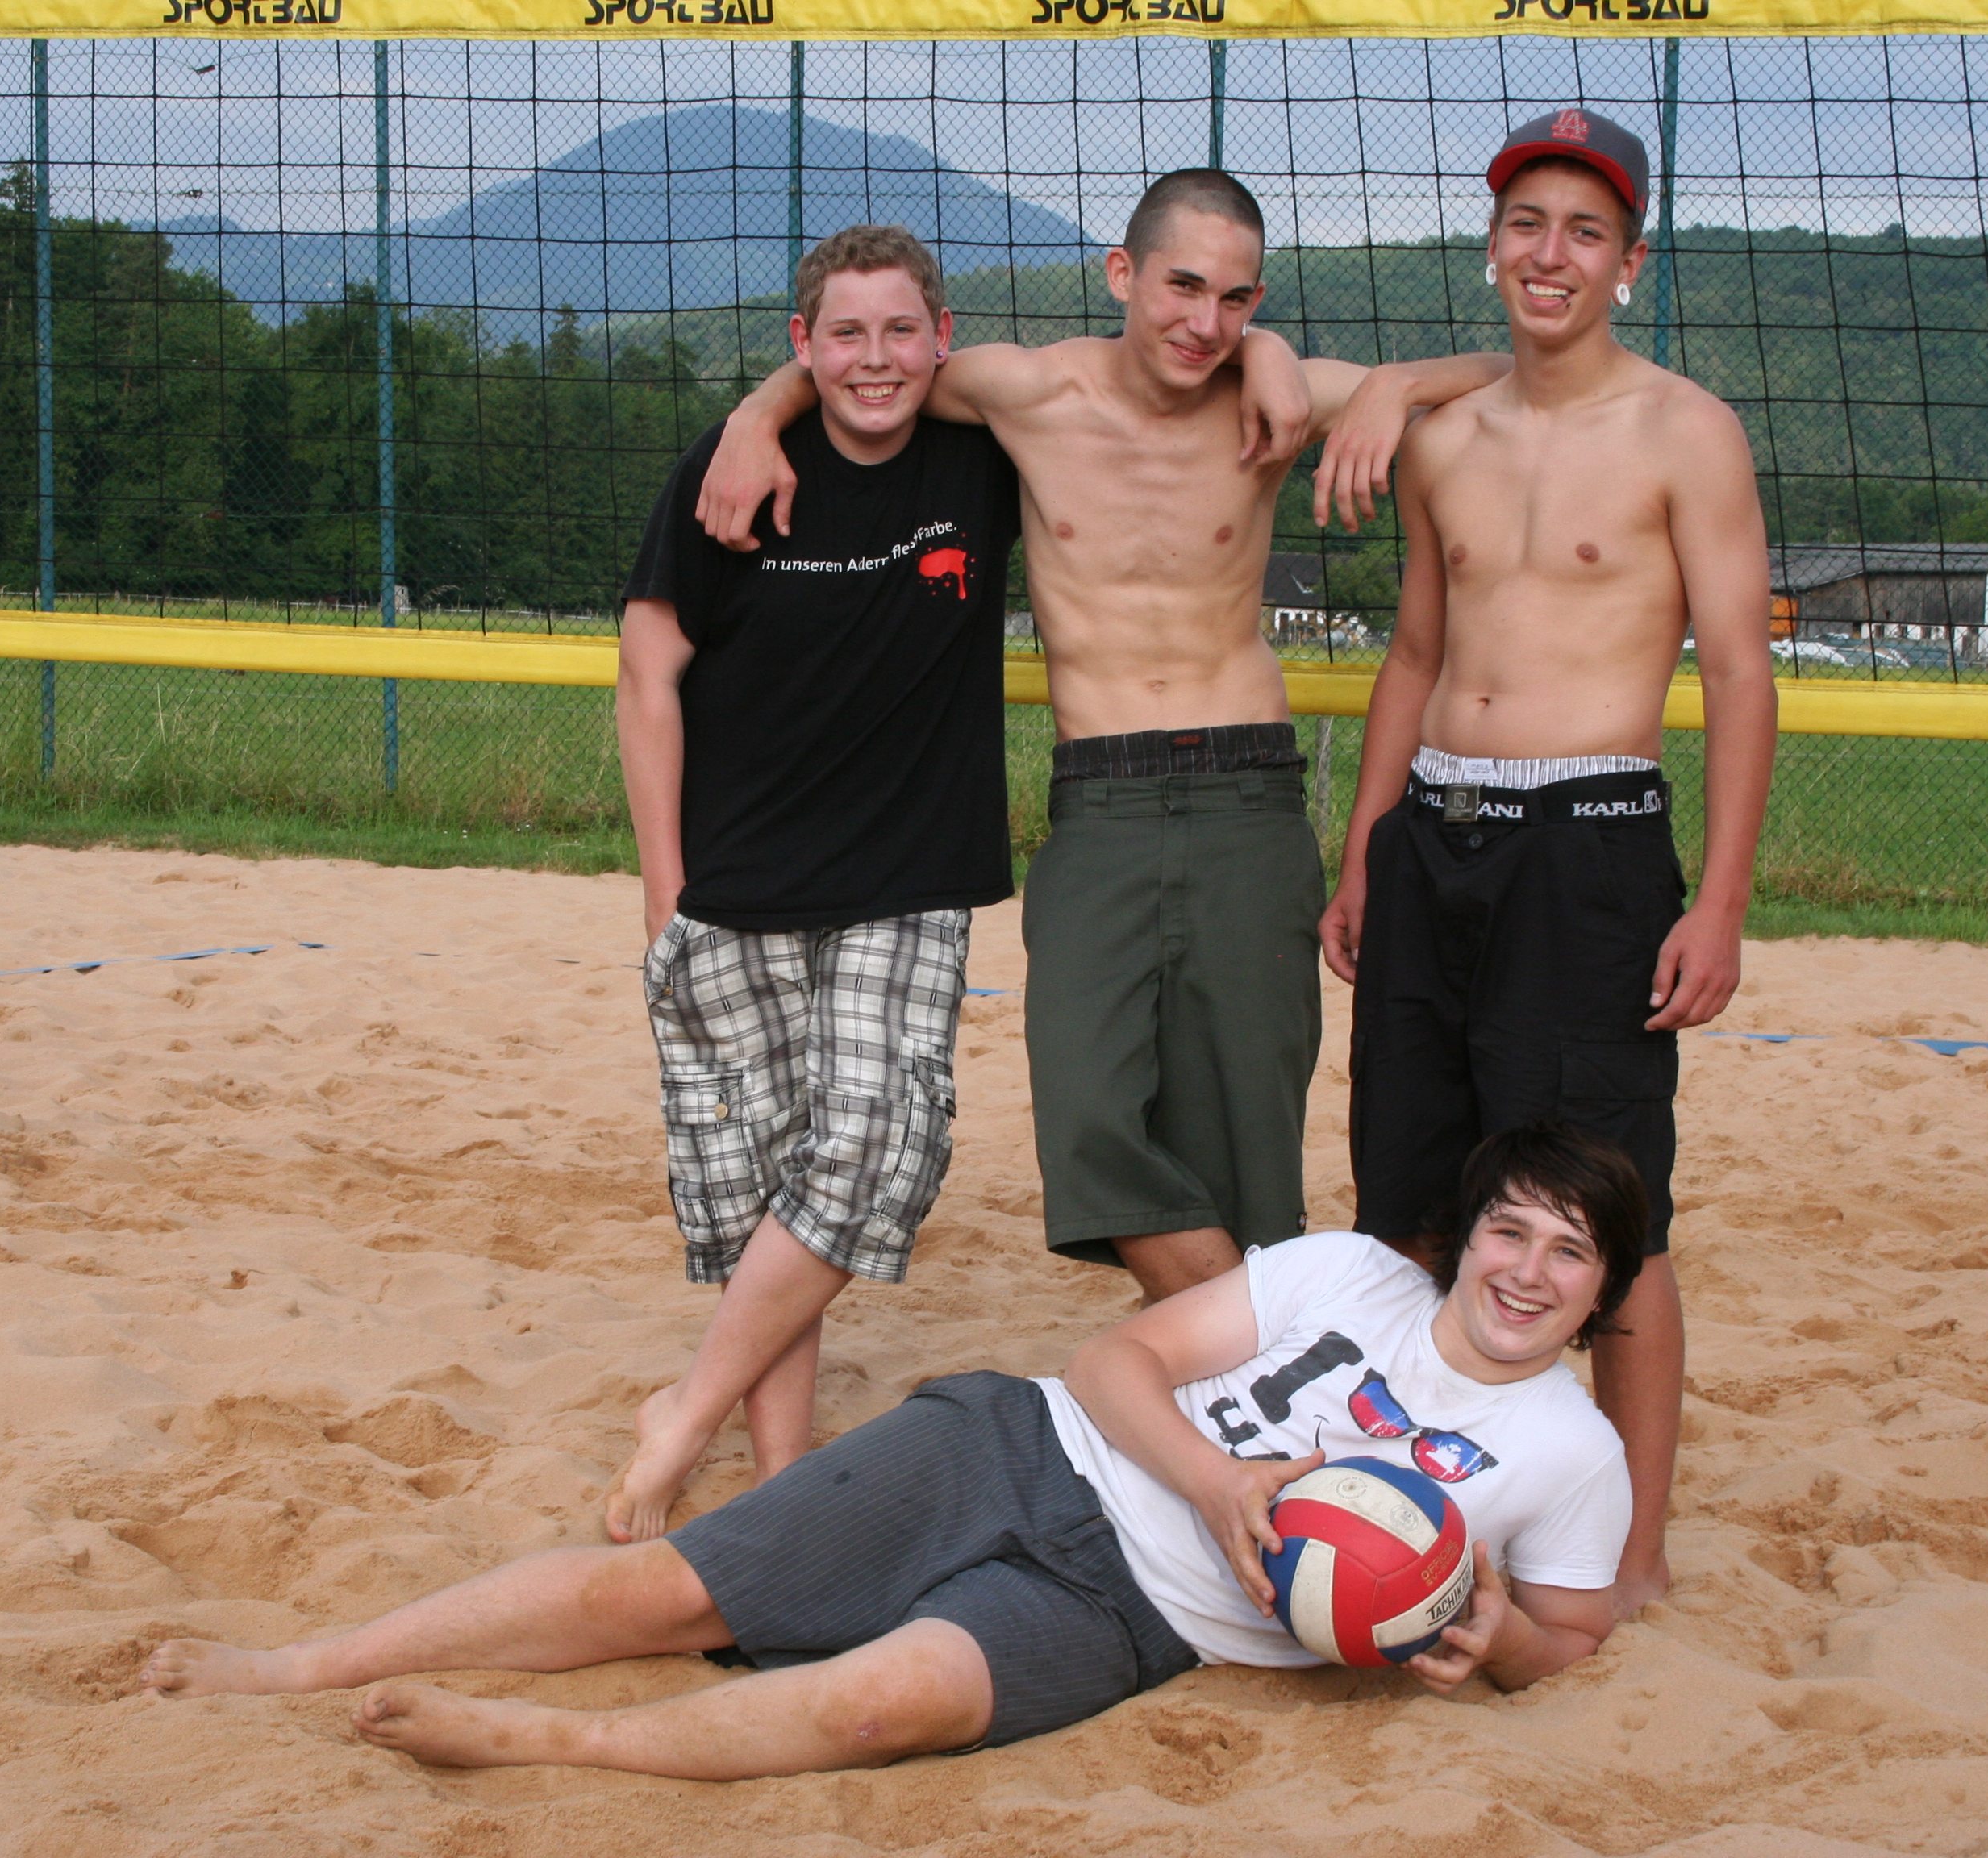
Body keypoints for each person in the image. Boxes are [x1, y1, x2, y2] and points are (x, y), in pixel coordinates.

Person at [139, 1123, 1643, 1777]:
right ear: (1464, 1236)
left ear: (1601, 1293)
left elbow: (1570, 1638)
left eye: (1568, 1253)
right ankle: (297, 1665)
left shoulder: (1570, 1449)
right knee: (662, 1594)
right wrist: (1220, 1481)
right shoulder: (1344, 1276)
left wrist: (1498, 1636)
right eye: (1508, 1231)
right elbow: (1110, 1360)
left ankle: (553, 1745)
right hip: (1024, 1448)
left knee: (879, 1710)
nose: (1526, 1271)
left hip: (1136, 1616)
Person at [697, 170, 1509, 1306]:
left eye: (1236, 300)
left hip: (1249, 795)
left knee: (1250, 1145)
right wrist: (753, 416)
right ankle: (1267, 1342)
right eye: (1182, 286)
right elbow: (872, 361)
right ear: (1122, 274)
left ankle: (1233, 1378)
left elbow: (1524, 370)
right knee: (1086, 1124)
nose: (1205, 322)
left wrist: (1391, 386)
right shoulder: (1030, 391)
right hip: (1101, 800)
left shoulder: (1276, 399)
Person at [1315, 109, 1778, 1620]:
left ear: (1631, 261)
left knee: (1607, 1212)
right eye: (1528, 224)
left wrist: (1720, 903)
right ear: (1492, 244)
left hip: (1589, 847)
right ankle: (1417, 1507)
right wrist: (1366, 856)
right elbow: (1415, 652)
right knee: (1408, 1204)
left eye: (1586, 231)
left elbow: (1743, 675)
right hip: (1433, 837)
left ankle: (1631, 1559)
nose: (1552, 254)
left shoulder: (1685, 431)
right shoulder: (1442, 437)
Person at [602, 225, 1023, 1546]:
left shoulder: (983, 457)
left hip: (907, 877)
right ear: (804, 344)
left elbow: (1120, 380)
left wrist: (765, 400)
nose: (874, 358)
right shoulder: (728, 475)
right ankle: (783, 1478)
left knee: (878, 1141)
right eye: (845, 334)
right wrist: (664, 892)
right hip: (737, 879)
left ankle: (685, 1412)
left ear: (943, 338)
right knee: (768, 1190)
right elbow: (647, 677)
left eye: (901, 330)